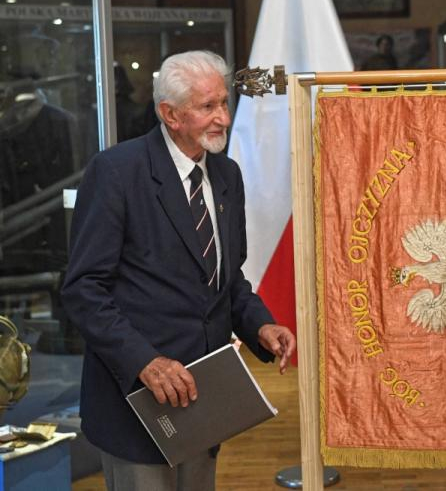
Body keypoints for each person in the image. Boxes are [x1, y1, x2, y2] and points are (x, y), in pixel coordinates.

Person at [61, 50, 295, 491]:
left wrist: (259, 325)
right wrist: (143, 362)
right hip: (137, 406)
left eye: (224, 103)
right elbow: (83, 290)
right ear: (170, 114)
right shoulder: (116, 173)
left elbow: (227, 281)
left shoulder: (227, 175)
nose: (223, 118)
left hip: (203, 405)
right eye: (207, 107)